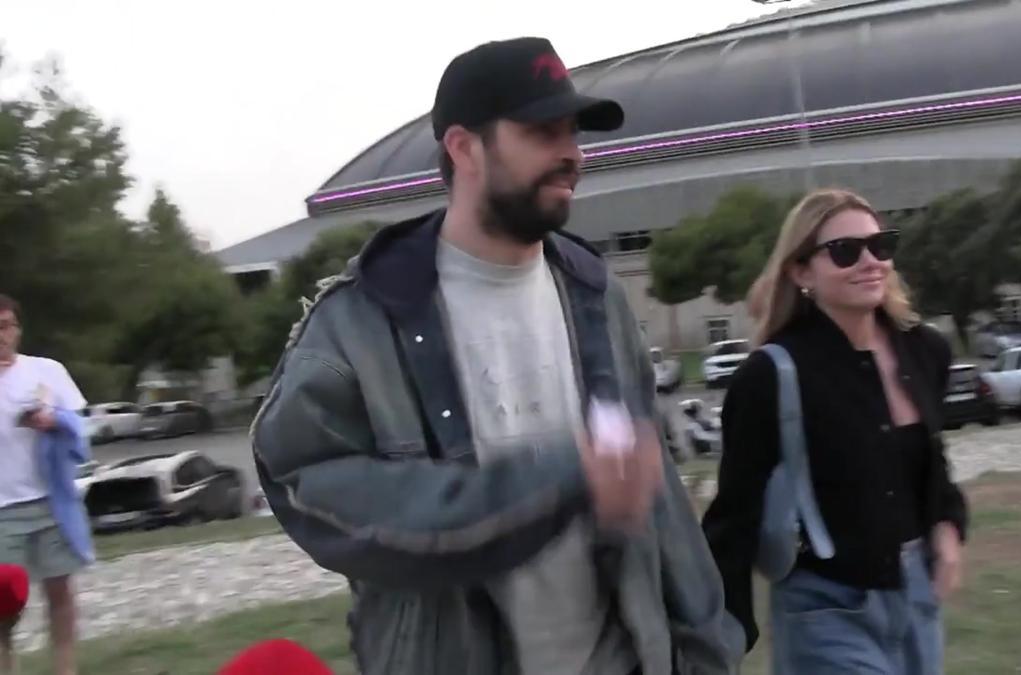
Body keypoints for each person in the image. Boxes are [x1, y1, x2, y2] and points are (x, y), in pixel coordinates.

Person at [252, 37, 740, 675]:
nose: (571, 155)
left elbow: (659, 501)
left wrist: (706, 651)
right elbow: (307, 486)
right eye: (542, 132)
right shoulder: (363, 319)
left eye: (573, 133)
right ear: (464, 148)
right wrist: (552, 484)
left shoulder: (597, 296)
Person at [703, 189, 968, 674]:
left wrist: (948, 526)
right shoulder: (771, 375)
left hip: (916, 595)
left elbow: (931, 464)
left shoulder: (925, 351)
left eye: (880, 246)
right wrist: (723, 635)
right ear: (802, 272)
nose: (870, 262)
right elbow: (732, 517)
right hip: (825, 607)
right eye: (845, 251)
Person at [0, 294, 92, 675]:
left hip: (52, 503)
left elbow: (82, 430)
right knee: (4, 609)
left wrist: (53, 421)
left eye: (5, 326)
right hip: (2, 511)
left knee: (60, 594)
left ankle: (65, 671)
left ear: (18, 330)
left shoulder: (46, 371)